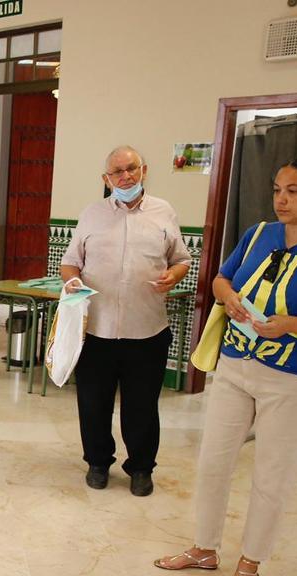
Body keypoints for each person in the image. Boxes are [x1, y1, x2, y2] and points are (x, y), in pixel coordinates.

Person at [155, 156, 297, 576]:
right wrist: (231, 297)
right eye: (277, 189)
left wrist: (296, 325)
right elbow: (219, 279)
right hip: (236, 367)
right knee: (213, 462)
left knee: (273, 476)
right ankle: (204, 548)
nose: (281, 199)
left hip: (294, 380)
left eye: (293, 191)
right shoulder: (259, 234)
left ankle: (251, 560)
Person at [60, 146, 192, 496]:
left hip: (147, 329)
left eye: (131, 168)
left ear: (143, 170)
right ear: (106, 178)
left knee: (142, 406)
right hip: (96, 330)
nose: (125, 176)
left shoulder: (164, 212)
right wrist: (72, 280)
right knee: (92, 403)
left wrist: (174, 275)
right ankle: (98, 462)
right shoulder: (91, 214)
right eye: (117, 171)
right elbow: (70, 261)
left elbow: (182, 259)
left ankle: (141, 469)